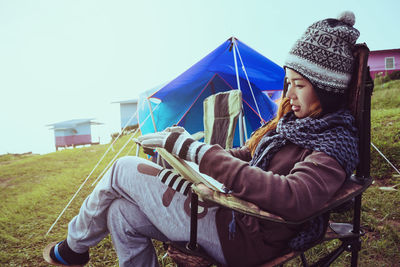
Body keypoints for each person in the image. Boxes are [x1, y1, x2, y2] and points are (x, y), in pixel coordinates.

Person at [43, 11, 360, 267]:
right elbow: (249, 156)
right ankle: (77, 249)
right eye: (287, 83)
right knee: (120, 214)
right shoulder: (292, 126)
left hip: (240, 237)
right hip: (226, 217)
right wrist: (195, 151)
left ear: (327, 89)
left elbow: (293, 198)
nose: (288, 96)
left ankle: (73, 249)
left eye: (299, 85)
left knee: (122, 168)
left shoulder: (331, 146)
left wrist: (200, 153)